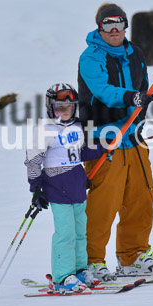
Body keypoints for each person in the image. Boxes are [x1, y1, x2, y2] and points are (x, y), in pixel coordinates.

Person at [78, 3, 153, 281]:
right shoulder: (90, 57)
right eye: (107, 24)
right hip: (103, 137)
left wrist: (140, 115)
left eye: (119, 23)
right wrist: (131, 99)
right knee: (105, 203)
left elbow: (144, 90)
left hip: (133, 138)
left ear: (125, 26)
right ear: (99, 27)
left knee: (141, 197)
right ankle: (92, 261)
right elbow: (102, 91)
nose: (114, 30)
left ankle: (133, 256)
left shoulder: (135, 53)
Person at [24, 83, 106, 293]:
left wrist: (103, 148)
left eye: (69, 107)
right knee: (65, 233)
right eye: (60, 107)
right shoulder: (44, 130)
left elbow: (81, 153)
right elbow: (33, 162)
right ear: (51, 107)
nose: (65, 111)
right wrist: (37, 188)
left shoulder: (77, 127)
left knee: (80, 232)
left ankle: (79, 270)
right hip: (57, 186)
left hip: (77, 185)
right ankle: (62, 275)